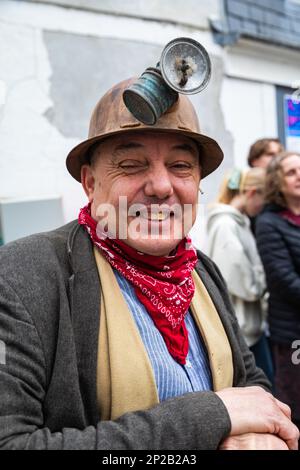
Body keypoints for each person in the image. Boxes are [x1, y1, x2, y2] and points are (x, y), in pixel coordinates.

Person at [0, 78, 298, 450]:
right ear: (90, 183)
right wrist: (208, 418)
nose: (160, 186)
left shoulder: (201, 271)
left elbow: (249, 380)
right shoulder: (25, 274)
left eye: (180, 165)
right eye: (130, 164)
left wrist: (258, 435)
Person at [206, 168, 274, 385]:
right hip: (243, 331)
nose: (262, 207)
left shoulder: (238, 222)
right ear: (252, 193)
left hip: (251, 327)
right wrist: (264, 282)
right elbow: (241, 281)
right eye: (263, 199)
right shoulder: (226, 225)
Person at [256, 151, 300, 431]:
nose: (299, 177)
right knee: (295, 402)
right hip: (293, 333)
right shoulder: (269, 222)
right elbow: (284, 280)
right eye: (291, 173)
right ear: (277, 182)